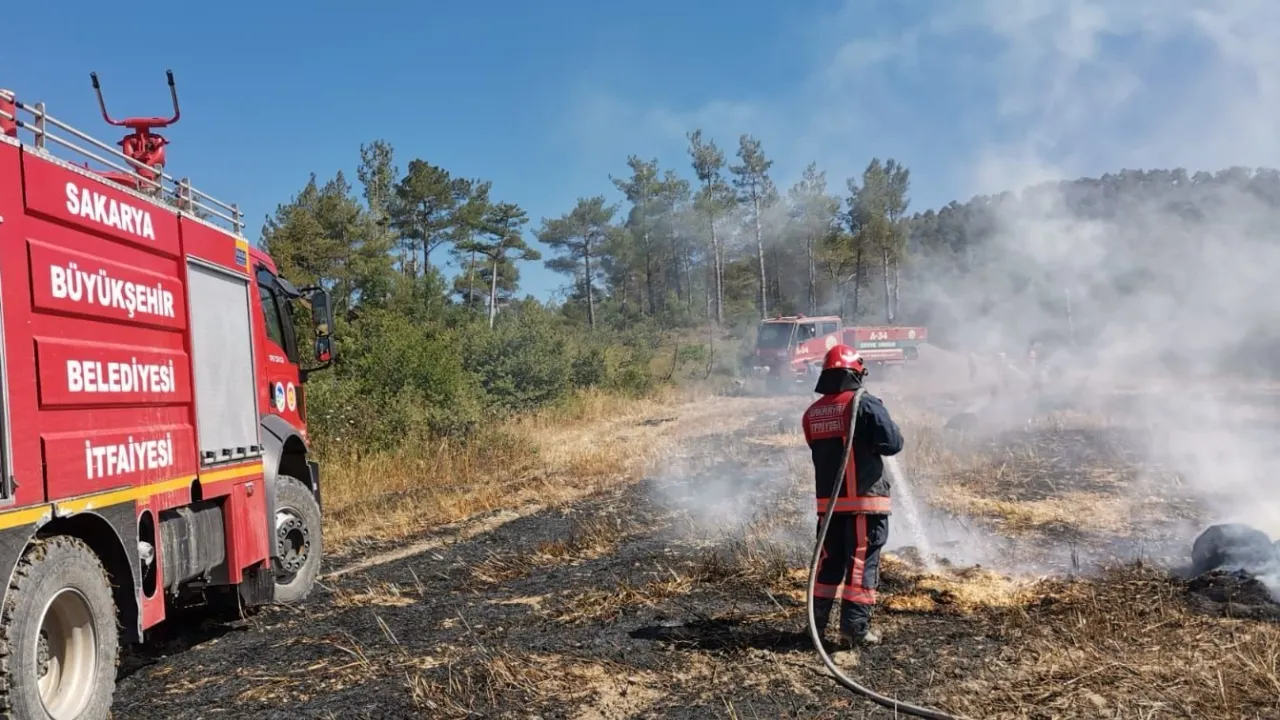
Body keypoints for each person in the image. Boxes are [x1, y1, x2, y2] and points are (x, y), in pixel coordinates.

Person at [801, 344, 904, 647]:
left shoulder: (812, 413)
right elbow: (892, 443)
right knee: (860, 564)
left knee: (827, 564)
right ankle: (853, 630)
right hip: (863, 504)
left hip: (829, 507)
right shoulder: (864, 404)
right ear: (856, 374)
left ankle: (815, 627)